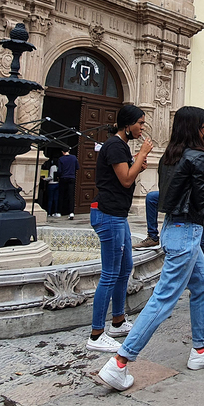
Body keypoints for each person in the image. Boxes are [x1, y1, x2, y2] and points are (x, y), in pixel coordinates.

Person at [96, 106, 204, 391]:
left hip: (173, 228)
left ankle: (201, 350)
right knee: (163, 299)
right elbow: (200, 200)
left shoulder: (171, 154)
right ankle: (120, 361)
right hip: (186, 232)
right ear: (195, 128)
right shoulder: (198, 156)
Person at [87, 105, 154, 353]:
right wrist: (140, 157)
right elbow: (126, 178)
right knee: (110, 273)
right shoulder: (115, 146)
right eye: (140, 123)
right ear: (127, 124)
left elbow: (124, 178)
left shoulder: (120, 146)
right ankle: (95, 334)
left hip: (118, 215)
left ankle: (117, 321)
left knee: (125, 268)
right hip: (108, 214)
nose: (142, 127)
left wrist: (137, 164)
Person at [57, 149, 78, 220]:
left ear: (62, 152)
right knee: (71, 195)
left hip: (63, 178)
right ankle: (71, 212)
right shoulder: (74, 158)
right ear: (69, 150)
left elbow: (59, 170)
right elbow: (77, 167)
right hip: (72, 177)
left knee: (61, 195)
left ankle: (59, 211)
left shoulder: (61, 159)